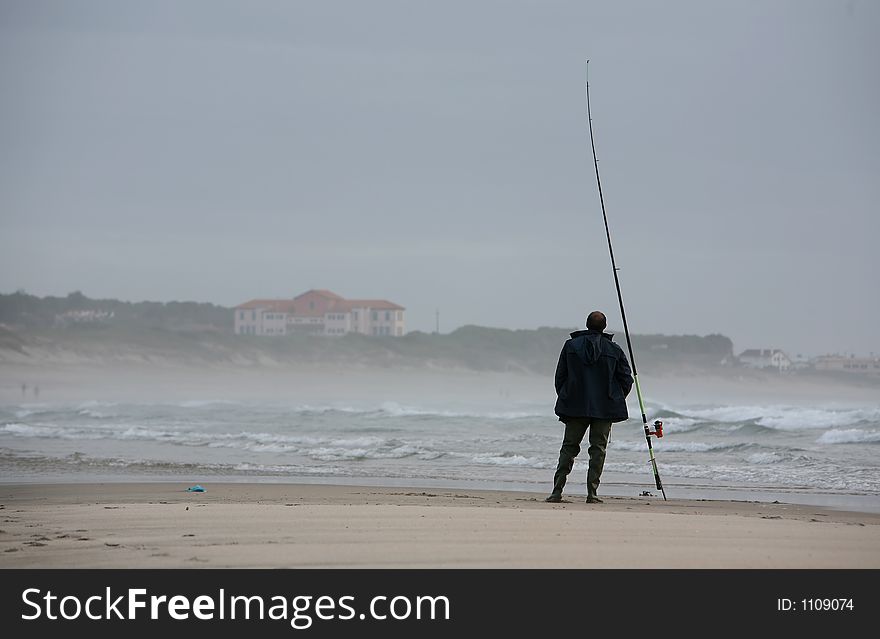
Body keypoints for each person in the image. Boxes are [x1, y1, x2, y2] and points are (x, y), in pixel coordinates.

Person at [545, 310, 633, 504]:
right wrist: (615, 398)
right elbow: (626, 379)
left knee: (568, 448)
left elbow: (560, 377)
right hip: (604, 408)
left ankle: (556, 491)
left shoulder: (570, 346)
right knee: (598, 450)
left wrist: (567, 396)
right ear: (604, 327)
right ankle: (592, 494)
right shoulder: (614, 349)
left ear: (586, 324)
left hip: (575, 406)